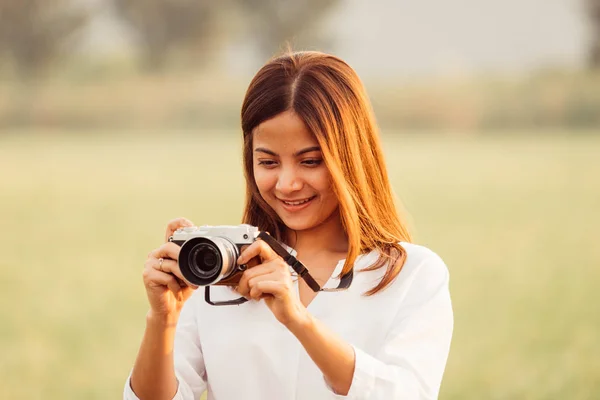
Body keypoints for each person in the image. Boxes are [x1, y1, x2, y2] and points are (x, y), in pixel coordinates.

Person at [124, 51, 454, 400]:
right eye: (268, 162)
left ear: (351, 156)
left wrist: (298, 319)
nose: (287, 183)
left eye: (310, 161)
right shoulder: (214, 269)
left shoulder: (413, 275)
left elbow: (407, 394)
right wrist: (163, 318)